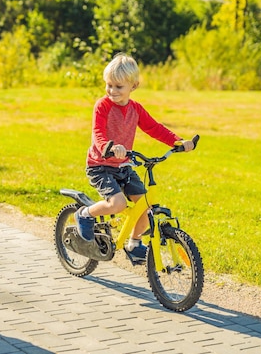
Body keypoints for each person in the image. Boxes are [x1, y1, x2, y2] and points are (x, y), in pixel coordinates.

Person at [75, 53, 194, 264]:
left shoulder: (135, 109)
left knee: (145, 205)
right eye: (109, 85)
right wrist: (109, 147)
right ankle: (85, 214)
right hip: (100, 166)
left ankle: (134, 243)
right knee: (118, 203)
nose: (112, 91)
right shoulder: (102, 106)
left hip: (123, 166)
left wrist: (177, 141)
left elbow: (154, 128)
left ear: (134, 86)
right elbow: (98, 133)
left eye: (118, 87)